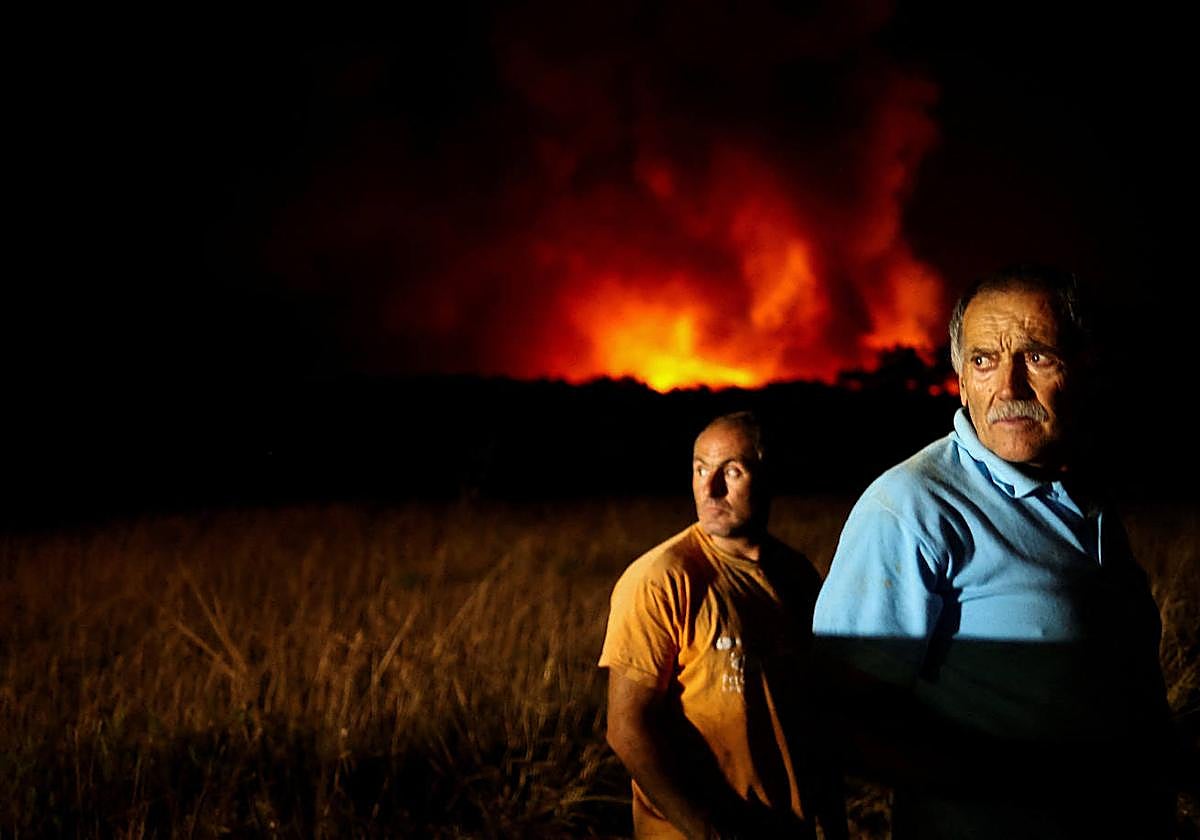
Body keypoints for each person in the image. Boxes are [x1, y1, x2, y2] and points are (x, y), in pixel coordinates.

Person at [812, 265, 1176, 838]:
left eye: (1036, 357)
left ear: (1083, 367)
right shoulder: (912, 507)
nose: (1008, 389)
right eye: (983, 361)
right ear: (959, 376)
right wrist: (1004, 788)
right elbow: (837, 713)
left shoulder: (1086, 496)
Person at [599, 411, 845, 840]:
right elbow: (627, 729)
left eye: (732, 471)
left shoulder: (797, 576)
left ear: (768, 476)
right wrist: (708, 831)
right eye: (700, 469)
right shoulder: (661, 579)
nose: (710, 488)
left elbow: (817, 714)